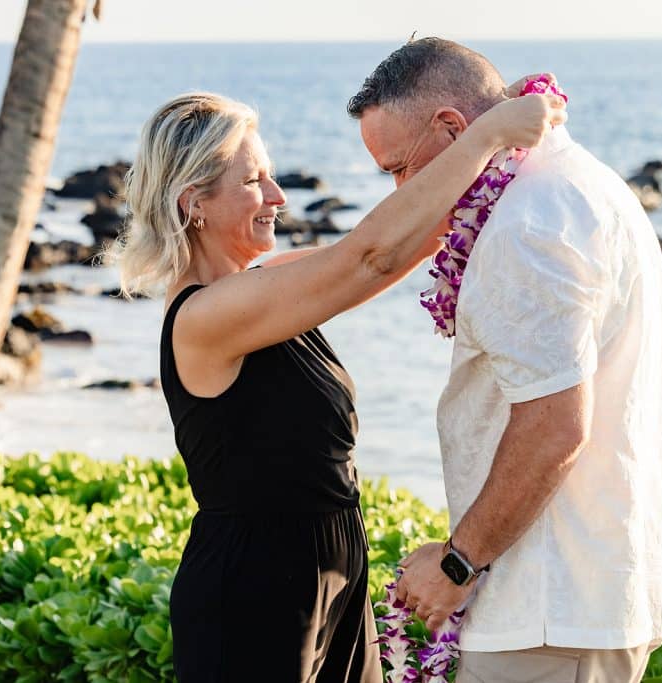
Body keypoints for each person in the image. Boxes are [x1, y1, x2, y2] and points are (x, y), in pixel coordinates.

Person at [107, 89, 566, 681]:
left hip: (331, 579)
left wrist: (492, 127)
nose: (278, 197)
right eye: (254, 181)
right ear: (194, 202)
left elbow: (407, 247)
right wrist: (490, 135)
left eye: (271, 176)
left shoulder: (265, 285)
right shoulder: (204, 319)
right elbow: (366, 258)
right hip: (254, 592)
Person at [348, 38, 662, 683]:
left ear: (454, 129)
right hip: (576, 592)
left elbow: (555, 424)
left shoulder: (524, 224)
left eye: (400, 169)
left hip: (551, 610)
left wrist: (457, 563)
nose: (397, 193)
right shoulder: (570, 179)